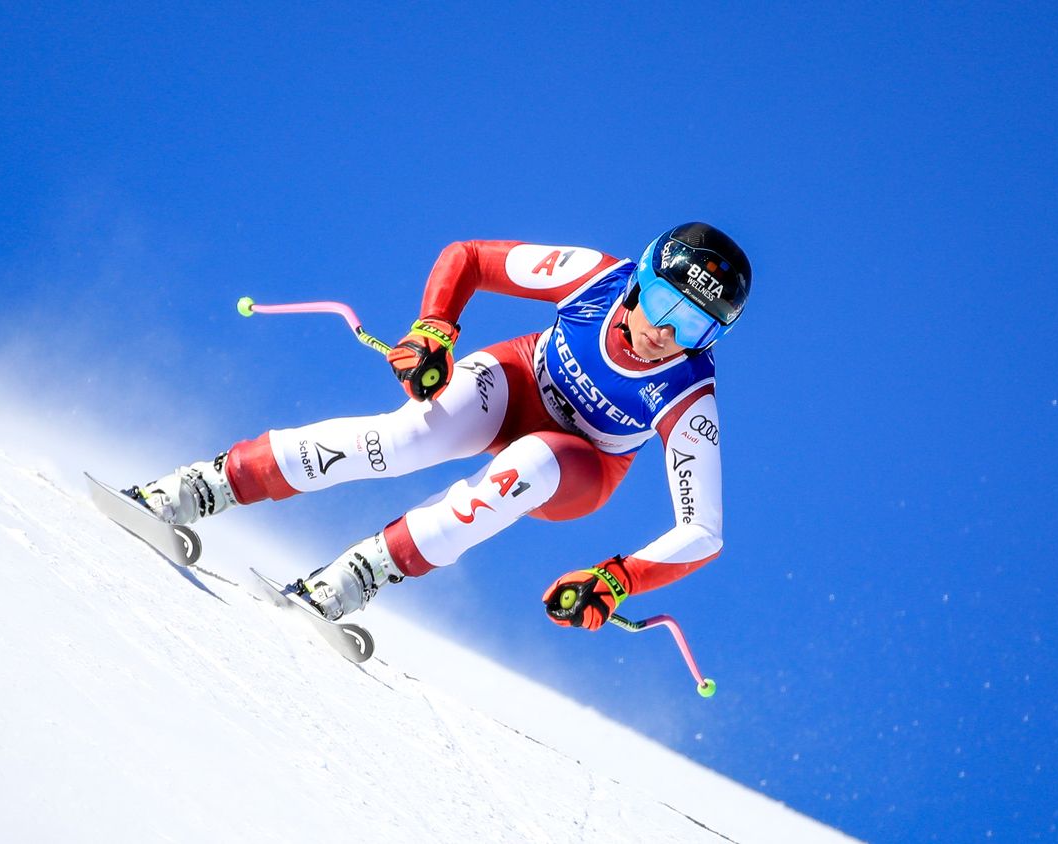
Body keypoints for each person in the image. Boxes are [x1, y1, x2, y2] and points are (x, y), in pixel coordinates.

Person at [131, 222, 751, 631]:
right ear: (640, 278)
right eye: (665, 303)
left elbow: (703, 530)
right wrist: (435, 327)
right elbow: (471, 258)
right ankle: (203, 486)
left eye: (692, 326)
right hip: (518, 381)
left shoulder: (687, 391)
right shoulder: (595, 277)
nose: (663, 334)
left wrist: (619, 579)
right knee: (403, 439)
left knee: (524, 467)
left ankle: (358, 575)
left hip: (578, 464)